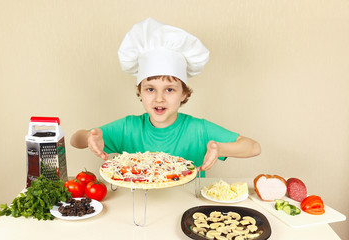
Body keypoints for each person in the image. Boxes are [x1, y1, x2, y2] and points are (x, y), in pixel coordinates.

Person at [70, 18, 260, 177]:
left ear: (184, 93)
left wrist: (220, 149)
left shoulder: (198, 129)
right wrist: (89, 138)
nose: (159, 98)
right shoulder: (128, 128)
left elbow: (253, 147)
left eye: (169, 90)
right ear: (140, 91)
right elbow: (74, 140)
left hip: (187, 206)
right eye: (150, 89)